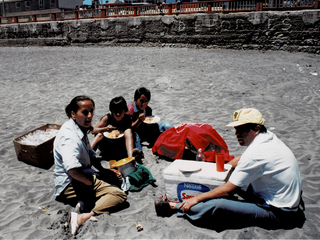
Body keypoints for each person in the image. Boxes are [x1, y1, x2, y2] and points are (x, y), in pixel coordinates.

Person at [155, 108, 305, 230]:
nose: (236, 134)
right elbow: (242, 160)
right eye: (236, 129)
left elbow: (228, 188)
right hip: (283, 198)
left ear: (256, 129)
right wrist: (224, 167)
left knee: (219, 204)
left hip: (280, 213)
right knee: (230, 176)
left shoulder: (256, 153)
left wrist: (196, 198)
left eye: (242, 130)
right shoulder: (267, 137)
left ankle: (175, 207)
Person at [53, 96, 127, 235]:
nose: (90, 116)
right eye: (85, 112)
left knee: (115, 178)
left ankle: (84, 201)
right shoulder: (70, 137)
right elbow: (72, 169)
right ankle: (83, 216)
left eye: (91, 111)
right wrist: (88, 182)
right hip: (70, 182)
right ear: (73, 113)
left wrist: (103, 171)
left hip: (81, 175)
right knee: (120, 196)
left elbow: (91, 154)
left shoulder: (79, 127)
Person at [91, 96, 142, 161]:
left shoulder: (127, 118)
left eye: (120, 111)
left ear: (125, 111)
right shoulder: (107, 118)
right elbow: (93, 131)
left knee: (128, 131)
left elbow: (131, 128)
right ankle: (88, 154)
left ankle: (130, 158)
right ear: (112, 111)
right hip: (108, 145)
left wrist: (139, 120)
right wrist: (105, 129)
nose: (118, 114)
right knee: (99, 135)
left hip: (121, 145)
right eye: (115, 112)